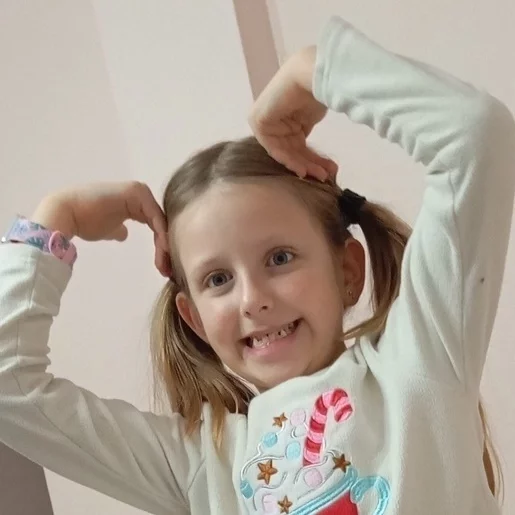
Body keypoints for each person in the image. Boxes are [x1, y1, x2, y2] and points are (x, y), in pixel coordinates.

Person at [0, 14, 513, 515]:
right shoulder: (202, 464)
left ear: (347, 271)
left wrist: (318, 70)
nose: (253, 299)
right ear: (194, 318)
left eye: (279, 258)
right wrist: (55, 220)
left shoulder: (419, 360)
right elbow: (10, 388)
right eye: (218, 279)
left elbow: (475, 134)